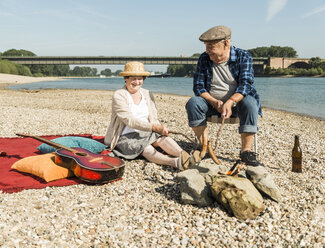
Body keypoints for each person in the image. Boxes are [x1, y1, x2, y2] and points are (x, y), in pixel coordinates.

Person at [185, 25, 263, 166]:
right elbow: (198, 87)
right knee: (193, 103)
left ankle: (246, 152)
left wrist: (231, 101)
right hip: (211, 104)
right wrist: (214, 101)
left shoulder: (243, 57)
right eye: (206, 46)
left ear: (226, 43)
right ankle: (205, 147)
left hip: (238, 105)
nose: (207, 51)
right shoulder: (204, 58)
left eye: (211, 46)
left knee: (251, 103)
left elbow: (246, 85)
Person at [104, 61, 191, 170]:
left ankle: (186, 157)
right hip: (124, 136)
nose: (137, 82)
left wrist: (159, 129)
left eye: (140, 78)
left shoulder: (147, 94)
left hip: (146, 132)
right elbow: (129, 120)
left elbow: (153, 117)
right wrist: (154, 128)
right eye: (133, 78)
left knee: (162, 138)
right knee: (146, 147)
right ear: (126, 78)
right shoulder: (119, 95)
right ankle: (175, 162)